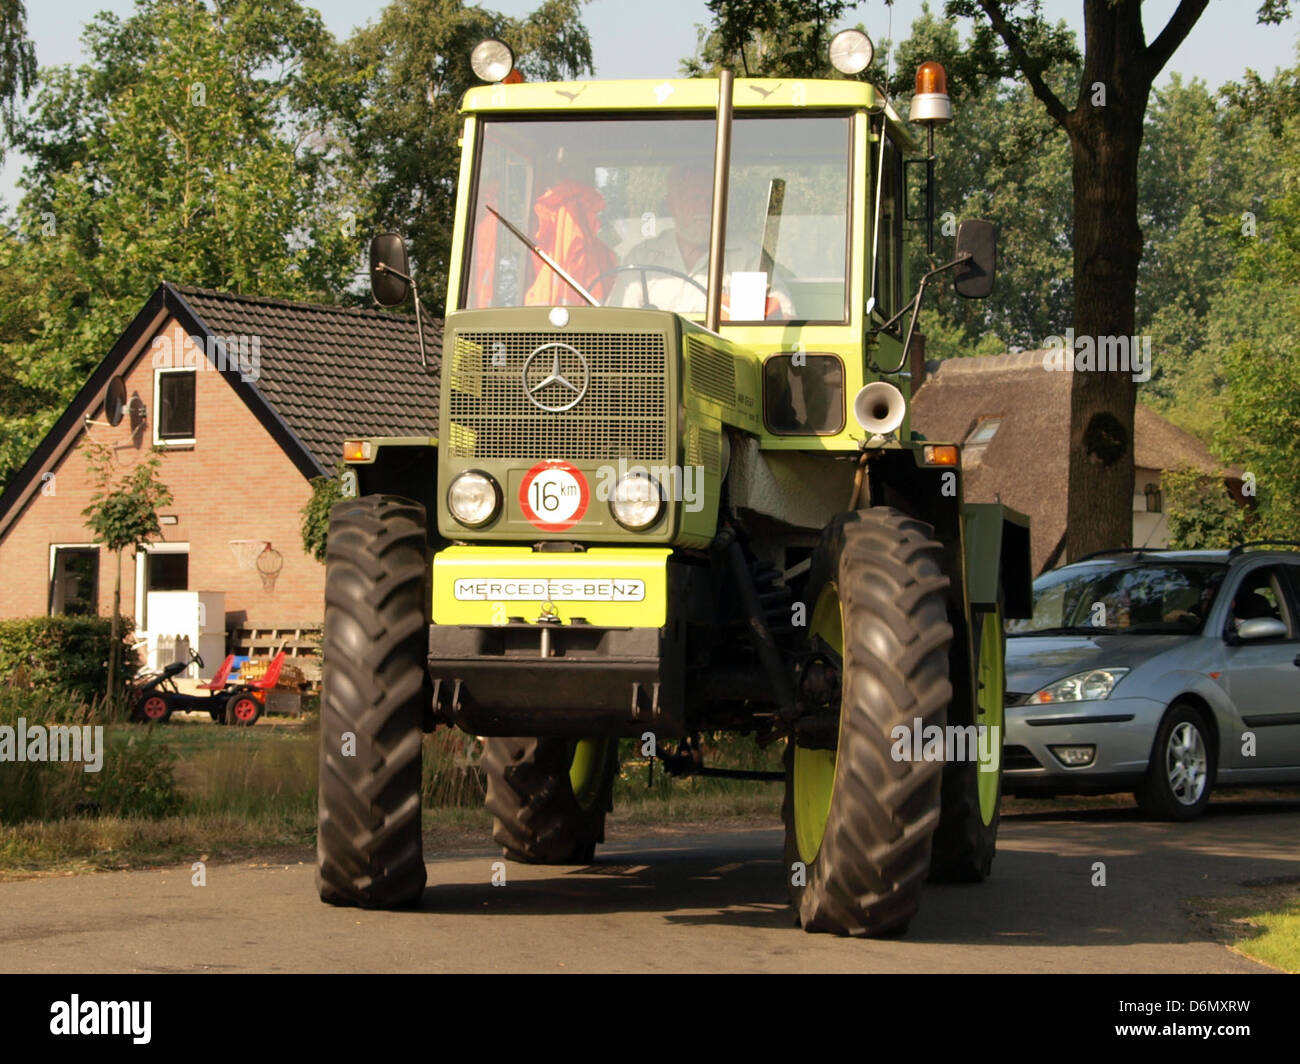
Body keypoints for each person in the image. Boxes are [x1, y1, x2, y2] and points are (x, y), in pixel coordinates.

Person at [610, 162, 795, 319]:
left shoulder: (747, 258)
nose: (704, 208)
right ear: (672, 205)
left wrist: (742, 311)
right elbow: (615, 322)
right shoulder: (642, 257)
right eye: (694, 198)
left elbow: (784, 318)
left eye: (711, 199)